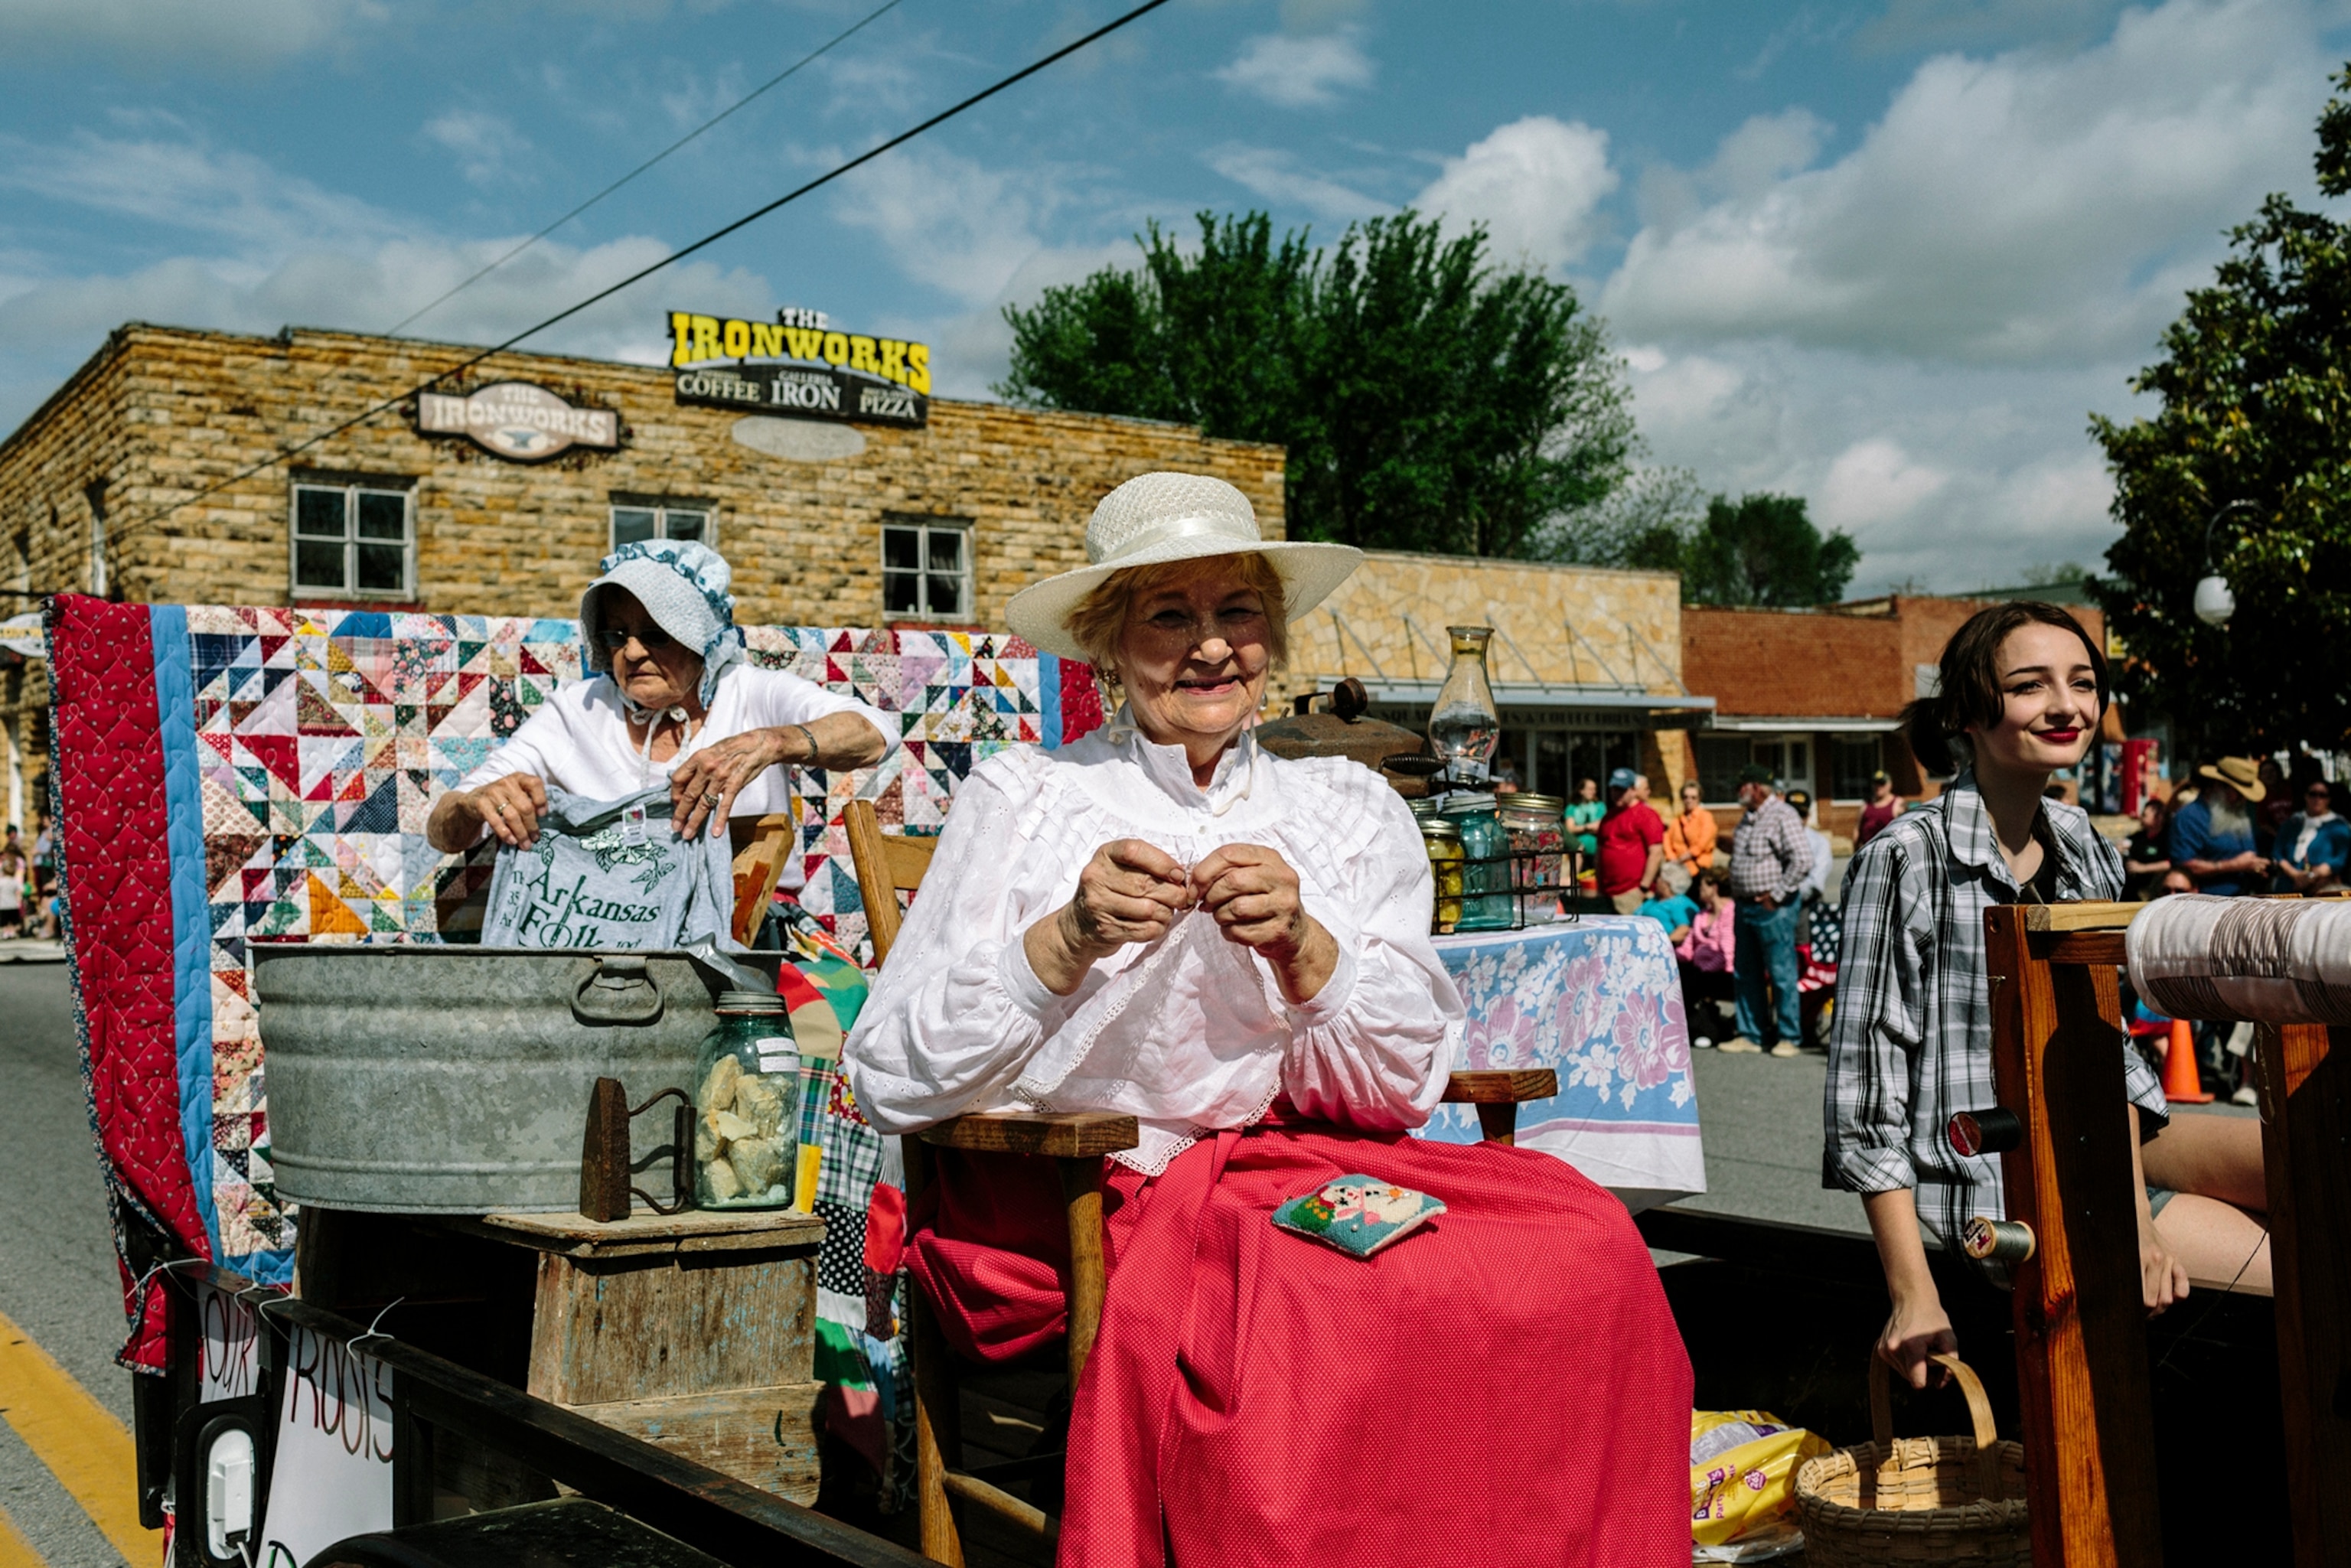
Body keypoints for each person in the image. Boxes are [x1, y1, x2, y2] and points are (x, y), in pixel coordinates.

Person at [843, 472, 1691, 1566]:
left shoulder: (1343, 808)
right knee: (1320, 1311)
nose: (1210, 648)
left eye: (1236, 611)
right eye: (1169, 615)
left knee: (1585, 1247)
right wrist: (1067, 938)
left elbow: (1391, 1092)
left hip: (1288, 1166)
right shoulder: (1029, 796)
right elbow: (888, 1074)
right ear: (1108, 643)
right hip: (1080, 1186)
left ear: (1274, 634)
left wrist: (1309, 950)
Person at [1827, 600, 2271, 1394]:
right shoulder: (1904, 857)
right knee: (2284, 1265)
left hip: (2099, 1138)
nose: (2066, 705)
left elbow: (2105, 1049)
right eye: (2031, 685)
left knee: (2320, 1157)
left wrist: (2135, 1219)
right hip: (1993, 1180)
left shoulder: (2080, 842)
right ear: (1965, 710)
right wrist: (1911, 1290)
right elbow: (1866, 1096)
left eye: (2082, 682)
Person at [427, 540, 894, 865]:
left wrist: (775, 742)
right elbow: (443, 831)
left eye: (656, 635)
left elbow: (875, 733)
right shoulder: (576, 709)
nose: (631, 652)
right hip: (612, 935)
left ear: (703, 641)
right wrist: (474, 806)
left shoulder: (750, 692)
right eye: (616, 634)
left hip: (749, 933)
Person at [1724, 765, 1809, 1057]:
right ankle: (1751, 1033)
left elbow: (1802, 860)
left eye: (1742, 786)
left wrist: (1776, 895)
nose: (1738, 792)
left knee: (1781, 972)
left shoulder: (1782, 815)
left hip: (1773, 907)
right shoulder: (1748, 819)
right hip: (1745, 905)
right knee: (1745, 971)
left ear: (1756, 788)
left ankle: (1789, 1036)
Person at [2167, 757, 2271, 896]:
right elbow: (2183, 867)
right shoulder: (2189, 818)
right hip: (2207, 904)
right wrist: (2234, 866)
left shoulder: (2237, 815)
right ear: (2218, 786)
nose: (2242, 800)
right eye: (2238, 793)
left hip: (2245, 899)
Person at [1674, 869, 1737, 1048]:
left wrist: (1705, 968)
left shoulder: (1731, 912)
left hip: (1723, 971)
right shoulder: (1702, 915)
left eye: (1702, 886)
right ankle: (1689, 1028)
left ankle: (1703, 1030)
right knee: (1677, 975)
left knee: (1691, 981)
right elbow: (1688, 946)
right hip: (1699, 970)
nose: (1699, 890)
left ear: (1714, 888)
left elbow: (1728, 951)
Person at [1597, 765, 1666, 915]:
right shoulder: (1608, 818)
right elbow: (1600, 852)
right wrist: (1599, 885)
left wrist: (1643, 887)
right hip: (1607, 893)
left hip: (1631, 892)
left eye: (1622, 790)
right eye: (1614, 789)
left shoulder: (1646, 815)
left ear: (1634, 790)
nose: (1617, 794)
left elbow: (1656, 852)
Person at [2271, 778, 2346, 894]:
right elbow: (2277, 852)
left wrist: (2314, 875)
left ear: (2329, 799)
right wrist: (2295, 875)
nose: (2317, 799)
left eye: (2323, 795)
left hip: (2322, 886)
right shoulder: (2293, 822)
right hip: (2289, 884)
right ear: (2305, 796)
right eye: (2313, 794)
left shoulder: (2339, 826)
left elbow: (2341, 858)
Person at [1663, 778, 1718, 876]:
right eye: (1686, 797)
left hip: (1699, 868)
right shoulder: (1677, 821)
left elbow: (1703, 842)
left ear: (1699, 799)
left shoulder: (1705, 817)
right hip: (1680, 870)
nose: (1689, 801)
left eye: (1693, 798)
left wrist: (1685, 857)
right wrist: (1672, 858)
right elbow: (1667, 840)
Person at [2122, 796, 2172, 900]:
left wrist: (2143, 868)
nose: (2141, 818)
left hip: (2153, 889)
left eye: (2145, 815)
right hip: (2132, 889)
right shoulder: (2138, 837)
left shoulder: (2167, 838)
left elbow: (2170, 863)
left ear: (2159, 818)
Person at [1566, 775, 1604, 889]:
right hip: (1579, 850)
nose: (1593, 792)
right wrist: (1588, 827)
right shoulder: (1572, 808)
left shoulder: (1600, 806)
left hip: (1597, 849)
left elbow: (1601, 826)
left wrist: (1581, 828)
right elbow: (1570, 829)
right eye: (1590, 789)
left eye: (1594, 789)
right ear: (1581, 791)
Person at [1854, 771, 1903, 849]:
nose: (1878, 787)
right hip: (1868, 851)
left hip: (1889, 852)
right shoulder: (1866, 805)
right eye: (1876, 784)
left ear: (1889, 785)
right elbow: (1857, 829)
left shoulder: (1898, 804)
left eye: (1882, 783)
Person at [0, 851, 22, 937]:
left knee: (5, 921)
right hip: (13, 904)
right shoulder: (14, 881)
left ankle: (6, 932)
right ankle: (12, 932)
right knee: (13, 921)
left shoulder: (1, 881)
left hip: (3, 905)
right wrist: (18, 898)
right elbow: (21, 890)